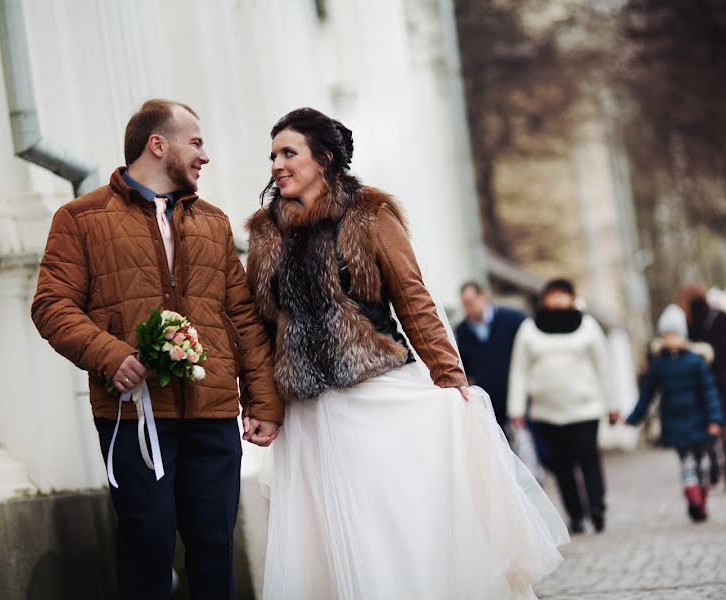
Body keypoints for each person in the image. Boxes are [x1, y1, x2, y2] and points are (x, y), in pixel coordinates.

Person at [245, 107, 568, 599]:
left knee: (389, 526)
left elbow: (414, 300)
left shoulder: (370, 215)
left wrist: (450, 376)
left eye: (289, 152)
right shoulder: (265, 234)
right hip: (307, 415)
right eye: (273, 155)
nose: (277, 164)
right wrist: (264, 405)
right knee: (329, 541)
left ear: (325, 158)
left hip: (374, 398)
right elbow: (261, 329)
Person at [31, 99, 284, 599]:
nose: (204, 156)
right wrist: (110, 356)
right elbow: (51, 305)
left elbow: (243, 318)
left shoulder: (213, 222)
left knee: (214, 550)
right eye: (196, 142)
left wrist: (263, 401)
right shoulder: (81, 219)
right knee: (146, 547)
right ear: (157, 144)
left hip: (212, 417)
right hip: (134, 418)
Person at [507, 278, 620, 534]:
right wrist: (516, 410)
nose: (558, 300)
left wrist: (613, 405)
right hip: (547, 412)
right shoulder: (529, 329)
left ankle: (597, 507)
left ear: (571, 298)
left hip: (585, 408)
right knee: (562, 465)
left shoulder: (588, 327)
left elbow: (604, 368)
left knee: (588, 456)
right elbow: (519, 371)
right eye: (553, 295)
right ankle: (576, 514)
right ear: (544, 299)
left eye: (563, 295)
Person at [625, 304, 723, 522]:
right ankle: (693, 497)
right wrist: (634, 417)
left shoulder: (696, 362)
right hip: (675, 422)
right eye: (667, 335)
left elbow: (709, 391)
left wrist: (714, 419)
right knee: (686, 462)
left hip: (699, 420)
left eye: (675, 334)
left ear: (683, 336)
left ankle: (701, 495)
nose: (671, 339)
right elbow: (647, 394)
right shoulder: (659, 365)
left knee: (703, 463)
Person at [678, 285, 726, 490]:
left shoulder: (689, 323)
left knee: (709, 421)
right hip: (725, 379)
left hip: (701, 381)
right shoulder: (721, 317)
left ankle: (713, 463)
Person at [454, 281, 526, 428]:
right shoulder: (462, 331)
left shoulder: (513, 319)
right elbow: (466, 367)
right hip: (488, 401)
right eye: (465, 304)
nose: (469, 307)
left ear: (484, 297)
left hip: (517, 396)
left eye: (471, 301)